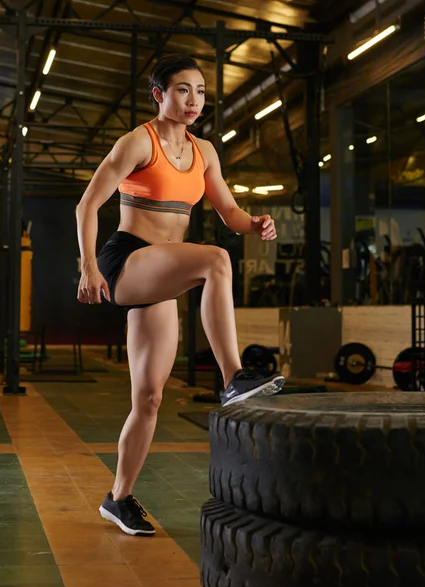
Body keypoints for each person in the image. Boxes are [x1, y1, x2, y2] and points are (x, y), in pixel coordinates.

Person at [75, 54, 286, 537]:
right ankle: (234, 378)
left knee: (149, 398)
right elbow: (88, 203)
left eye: (201, 92)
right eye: (183, 90)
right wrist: (88, 266)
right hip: (127, 261)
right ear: (159, 94)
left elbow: (229, 210)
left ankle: (118, 498)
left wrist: (254, 224)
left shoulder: (205, 151)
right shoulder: (137, 142)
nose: (194, 100)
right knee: (215, 260)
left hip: (162, 274)